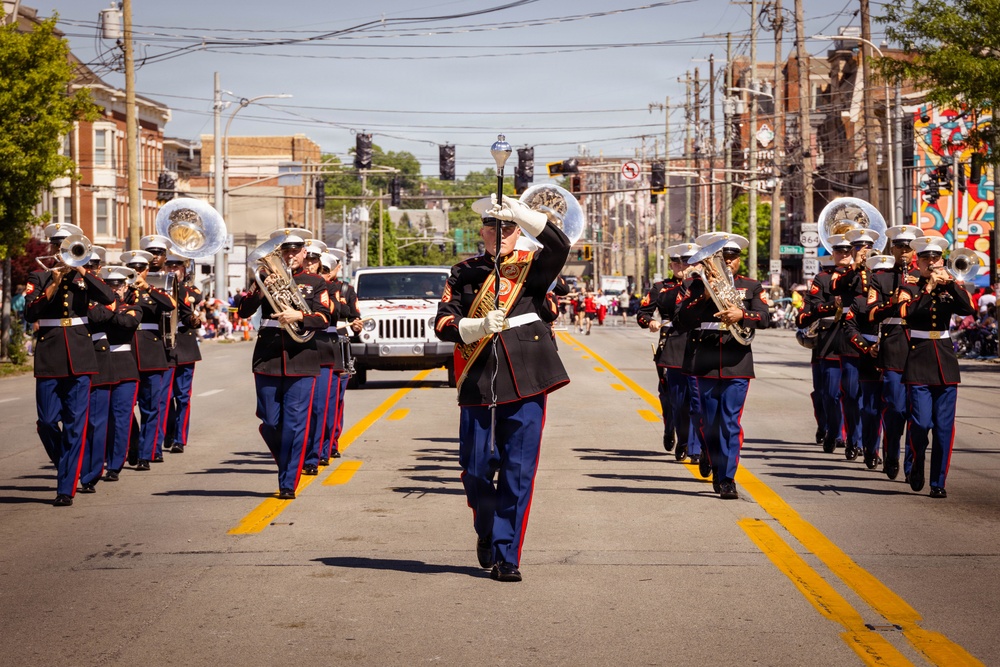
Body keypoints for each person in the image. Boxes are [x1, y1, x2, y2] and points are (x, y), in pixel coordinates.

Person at [434, 192, 570, 582]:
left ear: (517, 231)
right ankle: (487, 530)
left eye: (508, 226)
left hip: (528, 377)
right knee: (476, 469)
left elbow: (559, 244)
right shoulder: (463, 272)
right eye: (494, 225)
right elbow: (443, 321)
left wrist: (525, 214)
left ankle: (506, 554)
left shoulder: (533, 267)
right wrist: (474, 327)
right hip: (477, 376)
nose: (501, 232)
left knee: (518, 470)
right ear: (483, 232)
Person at [25, 222, 116, 506]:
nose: (63, 251)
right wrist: (53, 282)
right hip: (50, 355)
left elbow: (109, 297)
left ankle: (65, 488)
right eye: (59, 246)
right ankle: (65, 461)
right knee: (48, 422)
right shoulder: (39, 276)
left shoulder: (84, 278)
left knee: (76, 425)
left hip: (80, 356)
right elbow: (31, 311)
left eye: (69, 246)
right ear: (53, 249)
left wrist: (81, 271)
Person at [237, 229, 331, 500]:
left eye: (295, 250)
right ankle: (291, 462)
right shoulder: (264, 279)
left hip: (301, 358)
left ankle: (288, 481)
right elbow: (244, 311)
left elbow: (325, 318)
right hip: (268, 358)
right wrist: (259, 287)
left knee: (295, 424)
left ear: (304, 252)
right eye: (285, 251)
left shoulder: (315, 282)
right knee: (269, 422)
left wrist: (299, 315)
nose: (290, 255)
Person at [675, 233, 768, 500]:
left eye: (732, 258)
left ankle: (727, 478)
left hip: (737, 362)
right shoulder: (695, 284)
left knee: (730, 422)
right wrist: (704, 296)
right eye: (722, 258)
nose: (728, 263)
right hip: (705, 360)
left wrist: (743, 315)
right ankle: (712, 459)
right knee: (708, 422)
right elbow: (681, 320)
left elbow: (764, 317)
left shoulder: (750, 285)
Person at [899, 237, 975, 498]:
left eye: (935, 259)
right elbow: (907, 315)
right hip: (919, 359)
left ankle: (938, 481)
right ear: (917, 262)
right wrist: (928, 287)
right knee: (920, 423)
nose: (931, 263)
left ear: (941, 260)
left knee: (944, 428)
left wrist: (952, 283)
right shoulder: (909, 286)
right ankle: (917, 460)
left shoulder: (950, 287)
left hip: (944, 361)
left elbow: (968, 310)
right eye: (925, 259)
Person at [866, 225, 923, 480]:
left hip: (921, 350)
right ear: (893, 248)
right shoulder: (881, 278)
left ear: (915, 251)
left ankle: (913, 465)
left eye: (909, 247)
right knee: (896, 409)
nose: (904, 251)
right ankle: (891, 452)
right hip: (893, 349)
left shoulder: (923, 277)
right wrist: (894, 301)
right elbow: (871, 311)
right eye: (899, 246)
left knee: (917, 414)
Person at [637, 243, 700, 458]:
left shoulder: (703, 286)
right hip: (672, 345)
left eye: (688, 261)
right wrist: (650, 323)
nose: (683, 266)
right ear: (671, 265)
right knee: (675, 399)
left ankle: (693, 447)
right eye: (677, 262)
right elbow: (642, 313)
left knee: (696, 400)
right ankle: (672, 430)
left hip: (698, 344)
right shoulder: (661, 287)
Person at [121, 249, 176, 470]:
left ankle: (146, 453)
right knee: (123, 407)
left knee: (151, 407)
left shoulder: (155, 289)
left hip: (151, 353)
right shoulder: (120, 290)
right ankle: (134, 442)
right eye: (132, 269)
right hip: (126, 352)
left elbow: (170, 305)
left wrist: (148, 288)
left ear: (147, 270)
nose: (137, 272)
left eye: (140, 269)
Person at [798, 235, 852, 454]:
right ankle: (829, 427)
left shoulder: (865, 277)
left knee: (852, 393)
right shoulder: (822, 278)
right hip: (827, 341)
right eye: (840, 252)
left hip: (853, 340)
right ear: (834, 253)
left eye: (848, 252)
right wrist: (833, 305)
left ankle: (845, 435)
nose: (844, 255)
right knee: (826, 393)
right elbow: (814, 306)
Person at [298, 239, 339, 475]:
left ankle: (315, 455)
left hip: (322, 351)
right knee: (297, 410)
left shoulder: (330, 287)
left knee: (318, 409)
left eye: (316, 261)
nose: (312, 264)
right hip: (297, 350)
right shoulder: (295, 282)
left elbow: (335, 312)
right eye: (309, 259)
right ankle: (301, 453)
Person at [163, 253, 203, 454]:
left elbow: (189, 309)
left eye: (176, 267)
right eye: (169, 267)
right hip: (164, 346)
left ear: (184, 269)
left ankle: (180, 438)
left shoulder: (191, 291)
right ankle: (169, 430)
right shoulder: (158, 289)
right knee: (165, 396)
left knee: (183, 397)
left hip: (185, 347)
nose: (172, 270)